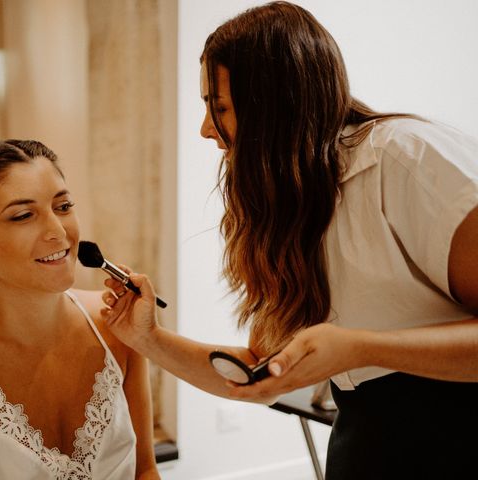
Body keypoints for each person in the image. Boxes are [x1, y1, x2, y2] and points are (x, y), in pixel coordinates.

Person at [100, 2, 478, 479]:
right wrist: (147, 338)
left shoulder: (403, 159)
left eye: (219, 109)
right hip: (368, 445)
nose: (205, 130)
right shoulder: (293, 204)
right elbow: (260, 374)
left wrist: (366, 348)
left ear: (274, 106)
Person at [0, 140, 160, 479]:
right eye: (24, 215)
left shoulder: (115, 323)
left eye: (64, 206)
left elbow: (145, 471)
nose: (58, 232)